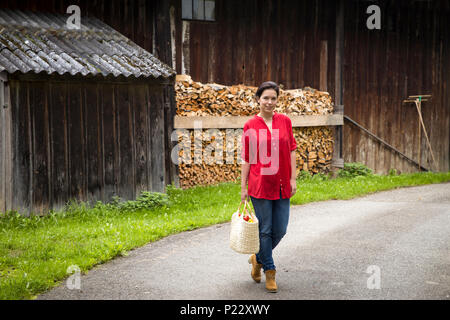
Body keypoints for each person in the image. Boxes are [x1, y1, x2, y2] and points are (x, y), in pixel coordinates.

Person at [240, 81, 297, 293]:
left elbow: (292, 150)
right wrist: (243, 187)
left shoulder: (285, 121)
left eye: (273, 98)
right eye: (266, 98)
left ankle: (257, 258)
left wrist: (293, 179)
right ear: (258, 99)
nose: (269, 102)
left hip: (282, 184)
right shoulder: (250, 125)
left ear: (277, 100)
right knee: (265, 230)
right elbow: (247, 158)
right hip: (260, 183)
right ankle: (270, 271)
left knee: (280, 229)